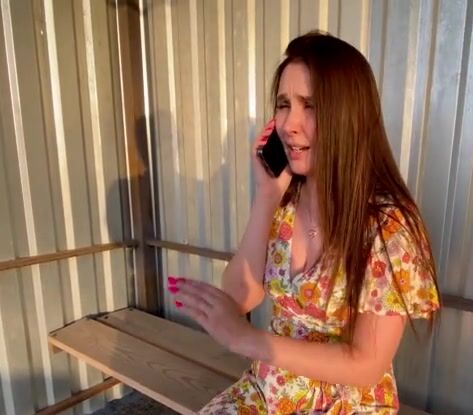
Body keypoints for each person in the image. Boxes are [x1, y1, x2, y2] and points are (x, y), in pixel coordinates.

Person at [170, 31, 441, 414]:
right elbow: (239, 297)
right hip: (270, 391)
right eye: (283, 104)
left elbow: (366, 364)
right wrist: (267, 195)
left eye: (310, 106)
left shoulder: (389, 228)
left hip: (347, 404)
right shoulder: (284, 201)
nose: (289, 124)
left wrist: (247, 339)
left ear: (349, 116)